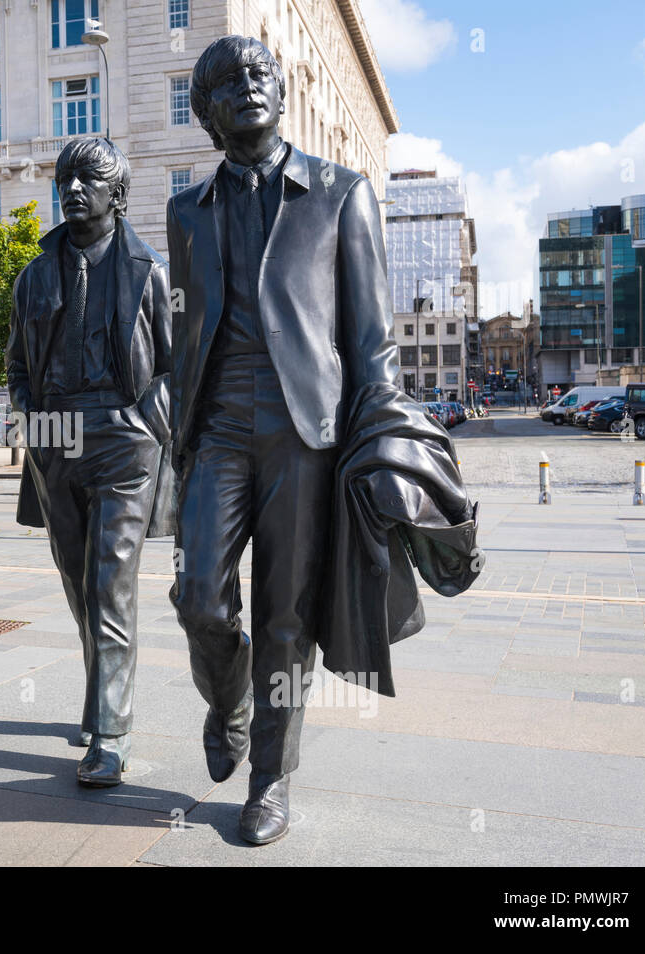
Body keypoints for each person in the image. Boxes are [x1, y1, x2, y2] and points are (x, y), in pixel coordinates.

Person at [166, 36, 403, 844]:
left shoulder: (340, 194)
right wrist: (179, 428)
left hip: (309, 431)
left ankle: (271, 777)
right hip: (219, 424)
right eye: (227, 82)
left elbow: (371, 340)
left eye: (260, 74)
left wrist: (381, 443)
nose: (249, 88)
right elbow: (187, 333)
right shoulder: (184, 211)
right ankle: (228, 701)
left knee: (287, 615)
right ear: (207, 112)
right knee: (198, 595)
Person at [5, 137, 174, 787]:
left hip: (123, 441)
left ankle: (111, 733)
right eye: (66, 178)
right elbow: (18, 366)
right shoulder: (35, 275)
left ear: (117, 194)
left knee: (109, 585)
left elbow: (173, 369)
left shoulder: (149, 272)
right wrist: (33, 421)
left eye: (90, 179)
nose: (74, 188)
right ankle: (100, 690)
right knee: (77, 583)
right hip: (57, 439)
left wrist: (142, 425)